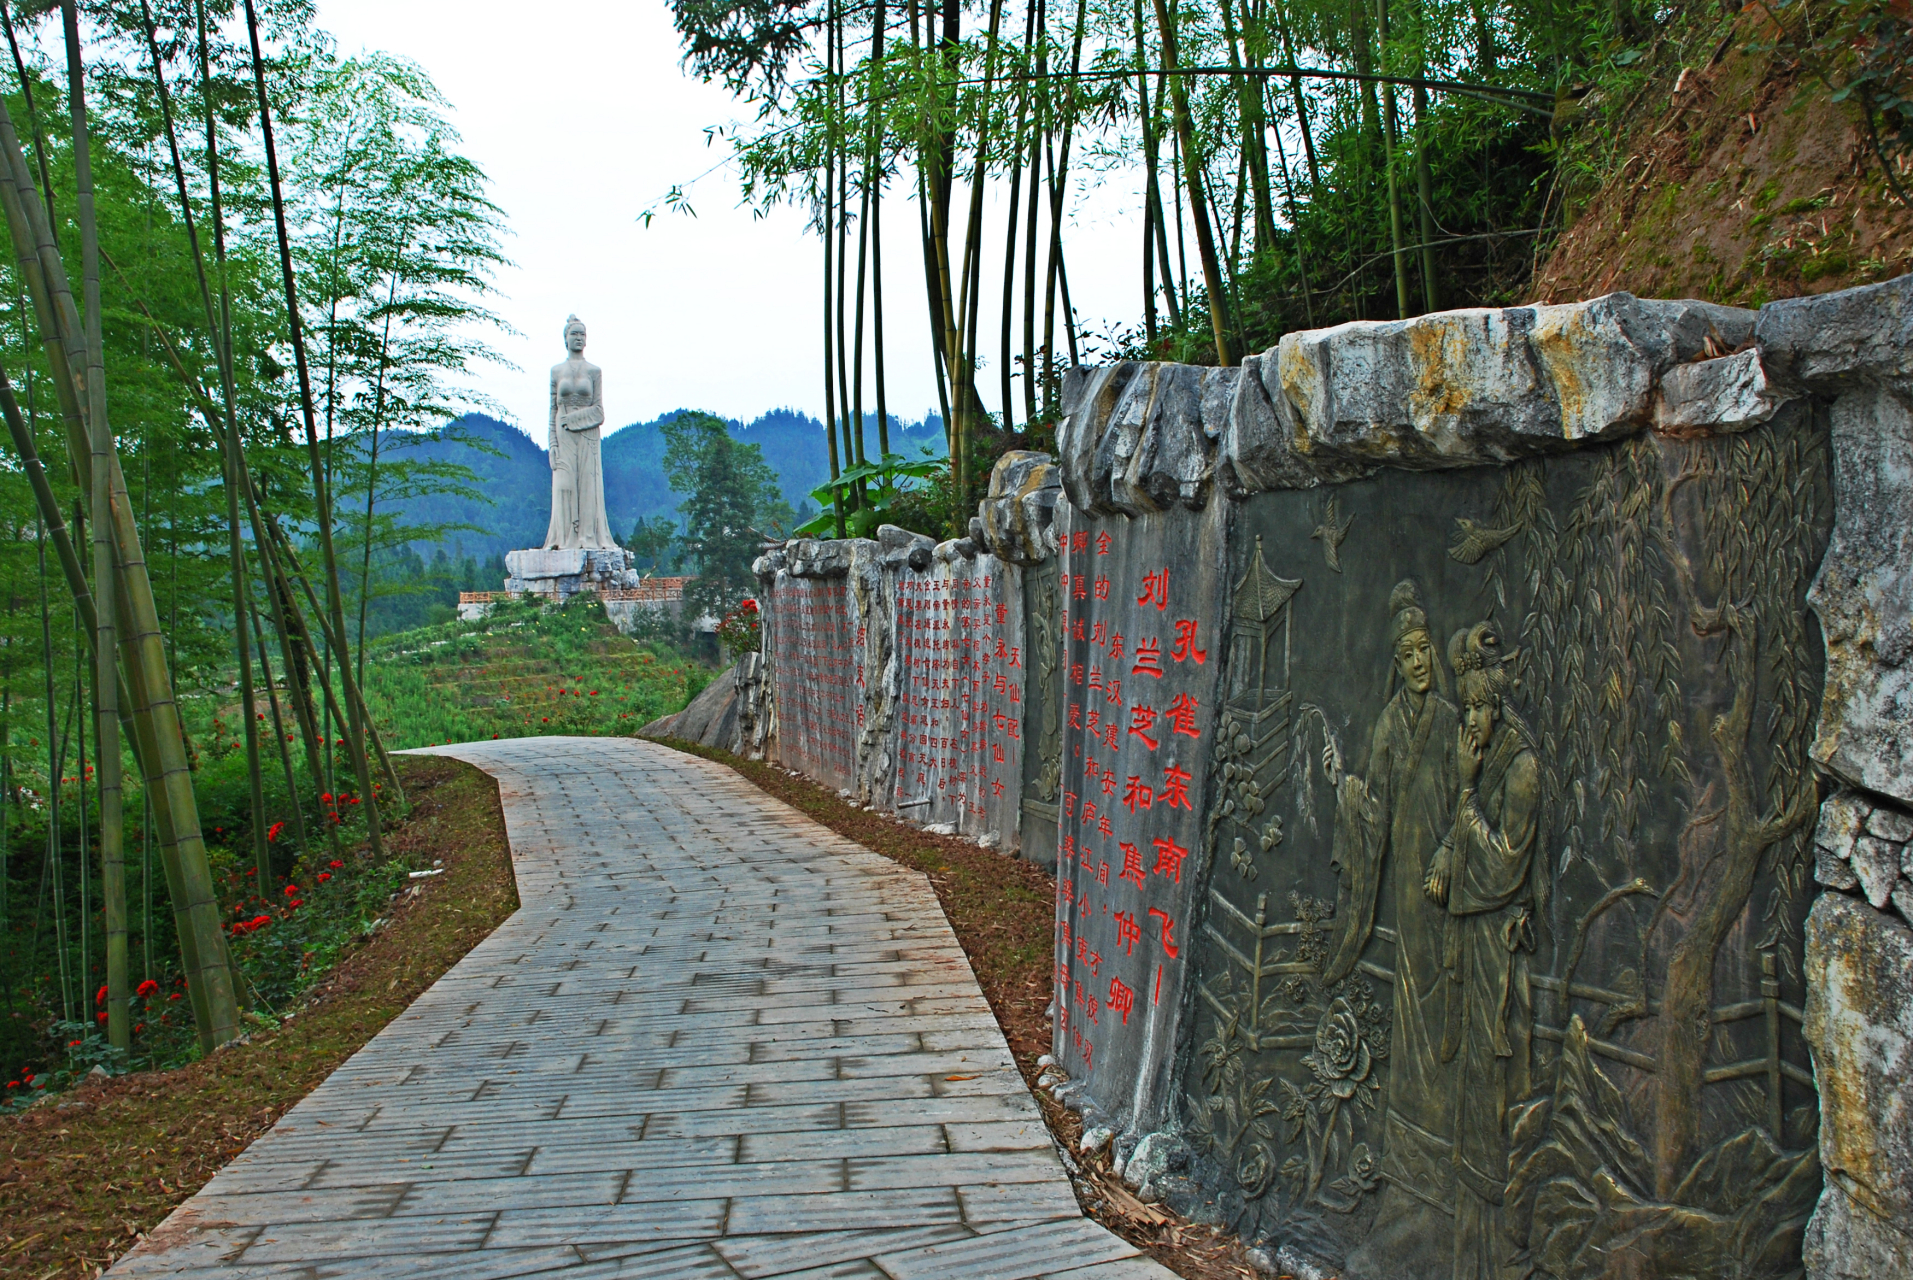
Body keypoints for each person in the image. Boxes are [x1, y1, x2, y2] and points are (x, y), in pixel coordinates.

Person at [1327, 580, 1461, 1276]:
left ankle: (1446, 1148)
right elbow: (1372, 802)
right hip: (1407, 894)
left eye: (1423, 650)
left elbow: (1473, 794)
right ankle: (1414, 1151)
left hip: (1450, 887)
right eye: (1405, 653)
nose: (1417, 662)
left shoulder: (1451, 720)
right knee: (1413, 1016)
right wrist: (1344, 786)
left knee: (1447, 1013)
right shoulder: (1389, 724)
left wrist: (1448, 849)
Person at [1424, 622, 1542, 1280]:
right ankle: (1466, 1219)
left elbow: (1501, 866)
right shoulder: (1486, 754)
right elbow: (1462, 840)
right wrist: (1448, 842)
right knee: (1468, 1076)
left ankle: (1501, 1232)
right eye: (1464, 706)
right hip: (1468, 939)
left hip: (1497, 945)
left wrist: (1467, 795)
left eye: (1478, 707)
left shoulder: (1519, 768)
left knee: (1493, 1074)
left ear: (1499, 706)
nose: (1470, 719)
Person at [544, 315, 615, 550]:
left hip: (587, 435)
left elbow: (599, 411)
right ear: (565, 338)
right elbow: (552, 410)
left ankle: (586, 537)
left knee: (587, 486)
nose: (578, 338)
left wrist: (573, 419)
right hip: (563, 436)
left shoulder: (594, 371)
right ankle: (563, 539)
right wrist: (552, 444)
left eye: (582, 334)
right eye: (574, 334)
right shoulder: (556, 371)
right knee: (563, 485)